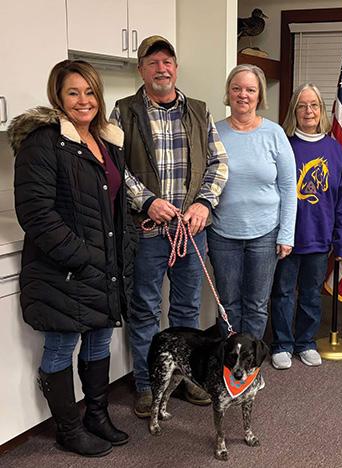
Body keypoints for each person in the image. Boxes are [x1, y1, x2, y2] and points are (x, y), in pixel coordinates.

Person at [9, 60, 135, 457]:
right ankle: (68, 429)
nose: (84, 101)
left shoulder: (107, 140)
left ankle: (96, 415)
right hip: (63, 269)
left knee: (99, 340)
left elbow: (115, 203)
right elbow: (36, 214)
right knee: (61, 345)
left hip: (103, 264)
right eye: (73, 93)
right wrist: (82, 257)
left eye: (90, 92)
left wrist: (119, 252)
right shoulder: (43, 142)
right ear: (58, 97)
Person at [109, 36, 228, 417]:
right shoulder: (123, 112)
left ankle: (187, 377)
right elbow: (115, 167)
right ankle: (147, 384)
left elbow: (218, 164)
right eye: (153, 62)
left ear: (176, 68)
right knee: (145, 310)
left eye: (167, 62)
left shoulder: (199, 111)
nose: (162, 69)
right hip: (146, 233)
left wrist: (203, 203)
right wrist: (147, 201)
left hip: (190, 233)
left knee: (186, 309)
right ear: (141, 69)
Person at [208, 64, 296, 340]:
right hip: (222, 233)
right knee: (228, 303)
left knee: (257, 305)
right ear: (229, 93)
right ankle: (229, 359)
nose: (243, 95)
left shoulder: (274, 134)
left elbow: (288, 187)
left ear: (259, 95)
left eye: (250, 89)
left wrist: (287, 234)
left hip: (265, 233)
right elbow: (203, 181)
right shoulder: (213, 132)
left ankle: (250, 361)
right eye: (236, 88)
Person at [270, 83, 342, 370]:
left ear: (322, 110)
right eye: (302, 105)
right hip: (286, 237)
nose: (308, 111)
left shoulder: (334, 149)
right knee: (283, 292)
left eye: (314, 105)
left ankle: (305, 342)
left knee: (310, 294)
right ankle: (282, 344)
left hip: (319, 237)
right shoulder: (283, 144)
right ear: (294, 110)